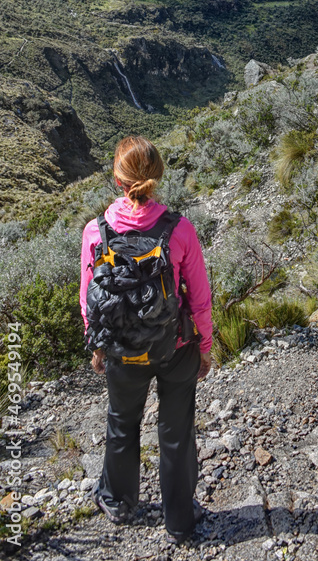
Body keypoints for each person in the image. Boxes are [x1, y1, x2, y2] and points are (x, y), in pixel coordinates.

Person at [80, 135, 213, 544]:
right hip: (174, 348)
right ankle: (180, 520)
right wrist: (204, 348)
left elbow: (89, 298)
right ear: (156, 177)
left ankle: (119, 503)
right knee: (176, 431)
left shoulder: (95, 231)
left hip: (122, 351)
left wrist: (97, 344)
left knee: (122, 423)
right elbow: (201, 297)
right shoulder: (180, 230)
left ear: (119, 180)